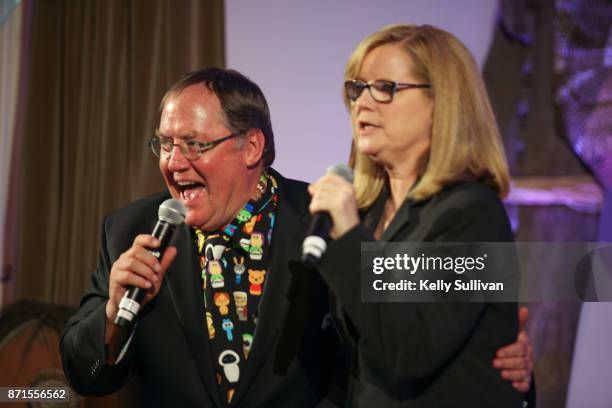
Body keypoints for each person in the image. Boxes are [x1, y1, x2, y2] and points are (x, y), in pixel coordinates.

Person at [60, 67, 531, 407]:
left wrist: (495, 356)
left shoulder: (333, 221)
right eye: (165, 143)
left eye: (194, 145)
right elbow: (87, 376)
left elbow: (404, 341)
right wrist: (111, 320)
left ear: (252, 147)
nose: (173, 162)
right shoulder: (131, 229)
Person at [309, 24, 530, 407]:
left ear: (442, 103)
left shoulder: (472, 214)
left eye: (385, 88)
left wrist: (348, 237)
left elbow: (413, 348)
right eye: (357, 88)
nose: (363, 102)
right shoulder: (367, 213)